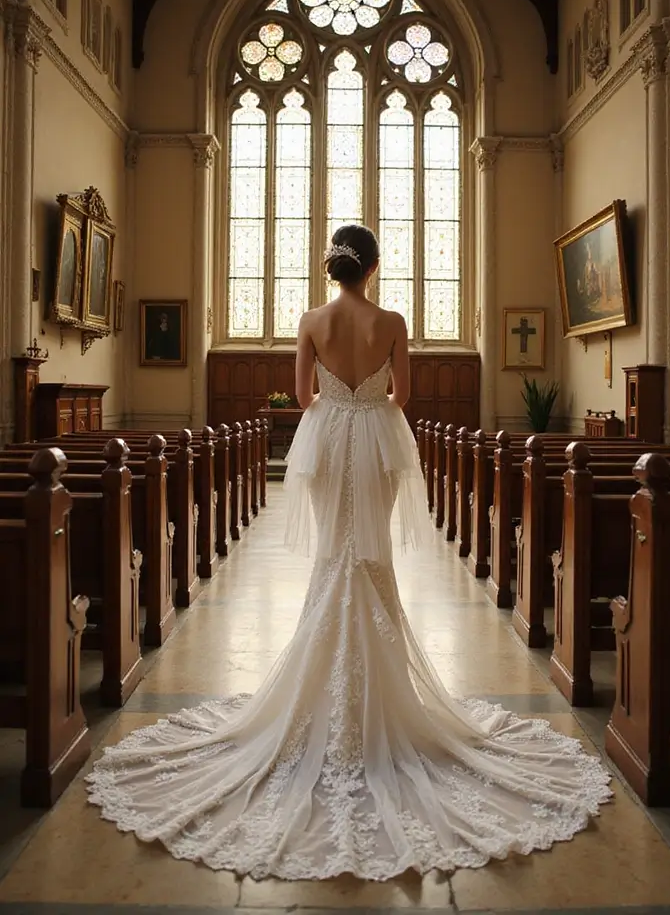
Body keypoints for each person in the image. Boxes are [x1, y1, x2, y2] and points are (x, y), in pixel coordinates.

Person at [85, 224, 611, 880]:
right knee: (373, 557)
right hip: (380, 440)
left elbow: (304, 397)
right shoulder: (392, 319)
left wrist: (339, 402)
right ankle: (381, 699)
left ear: (332, 266)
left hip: (328, 440)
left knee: (332, 557)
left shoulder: (311, 319)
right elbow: (407, 397)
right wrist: (371, 400)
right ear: (376, 265)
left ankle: (325, 694)